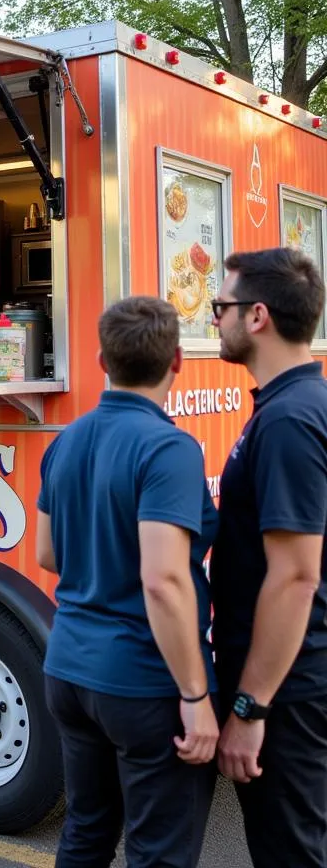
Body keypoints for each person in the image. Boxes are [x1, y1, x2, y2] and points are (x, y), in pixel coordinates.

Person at [37, 295, 219, 868]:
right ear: (178, 362)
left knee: (87, 833)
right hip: (142, 681)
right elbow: (163, 581)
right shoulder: (170, 449)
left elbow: (47, 552)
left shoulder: (65, 440)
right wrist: (195, 696)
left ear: (100, 360)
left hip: (68, 669)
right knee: (158, 850)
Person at [210, 247, 327, 868]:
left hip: (287, 694)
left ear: (257, 316)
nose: (214, 320)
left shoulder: (288, 421)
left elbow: (295, 577)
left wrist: (250, 709)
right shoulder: (291, 407)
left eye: (220, 307)